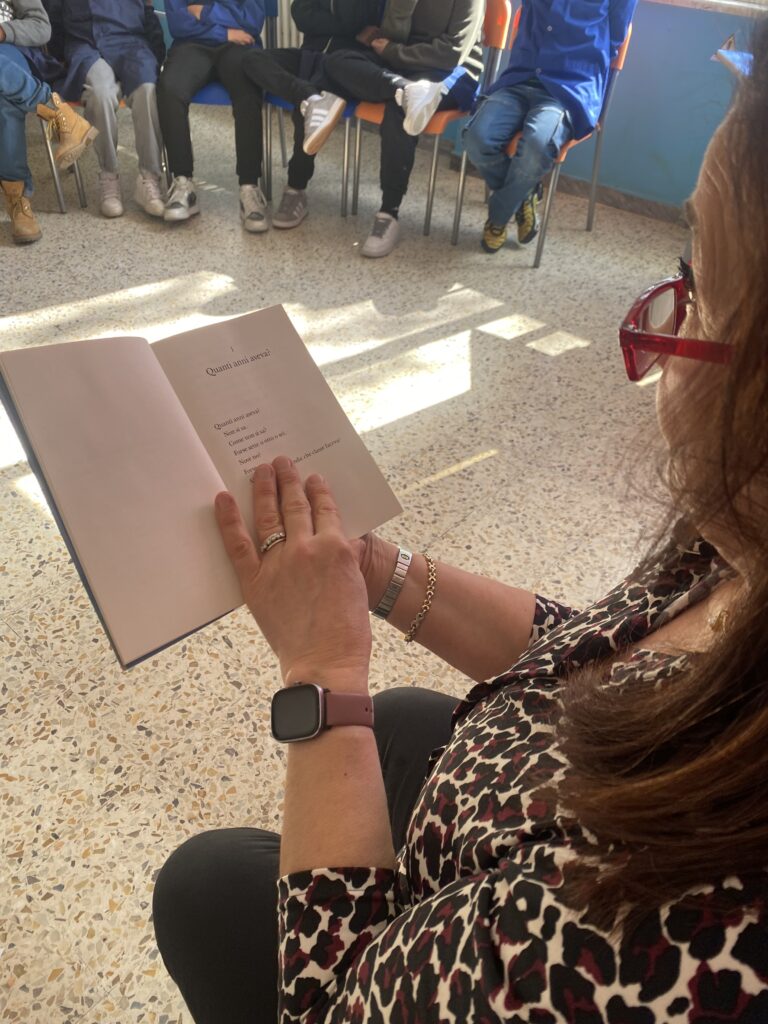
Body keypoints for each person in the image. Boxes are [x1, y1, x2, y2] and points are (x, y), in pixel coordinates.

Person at [152, 23, 768, 1023]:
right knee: (404, 717)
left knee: (203, 886)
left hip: (415, 961)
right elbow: (605, 646)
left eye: (697, 296)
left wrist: (322, 673)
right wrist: (381, 574)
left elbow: (336, 1007)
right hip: (515, 816)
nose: (660, 345)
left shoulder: (668, 927)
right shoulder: (738, 540)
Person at [241, 0, 483, 257]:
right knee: (332, 65)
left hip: (449, 73)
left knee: (397, 111)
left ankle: (389, 213)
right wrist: (393, 42)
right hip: (397, 65)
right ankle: (400, 89)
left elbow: (450, 53)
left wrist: (391, 49)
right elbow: (305, 15)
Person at [462, 0, 636, 254]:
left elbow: (615, 36)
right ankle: (525, 193)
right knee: (477, 138)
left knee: (537, 143)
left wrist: (577, 61)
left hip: (570, 87)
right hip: (521, 78)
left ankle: (498, 218)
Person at [156, 0, 267, 231]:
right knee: (170, 88)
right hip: (192, 44)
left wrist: (205, 11)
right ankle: (183, 182)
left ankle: (249, 187)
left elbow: (252, 22)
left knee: (248, 89)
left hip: (240, 44)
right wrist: (224, 32)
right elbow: (178, 23)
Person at [57, 0, 166, 219]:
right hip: (86, 44)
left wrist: (155, 56)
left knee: (148, 89)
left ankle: (150, 177)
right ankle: (109, 175)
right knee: (101, 94)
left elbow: (147, 11)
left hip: (131, 40)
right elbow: (53, 19)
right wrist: (60, 60)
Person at [0, 0, 96, 243]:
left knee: (4, 100)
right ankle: (59, 113)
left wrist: (3, 31)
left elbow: (42, 27)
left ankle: (17, 199)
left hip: (9, 53)